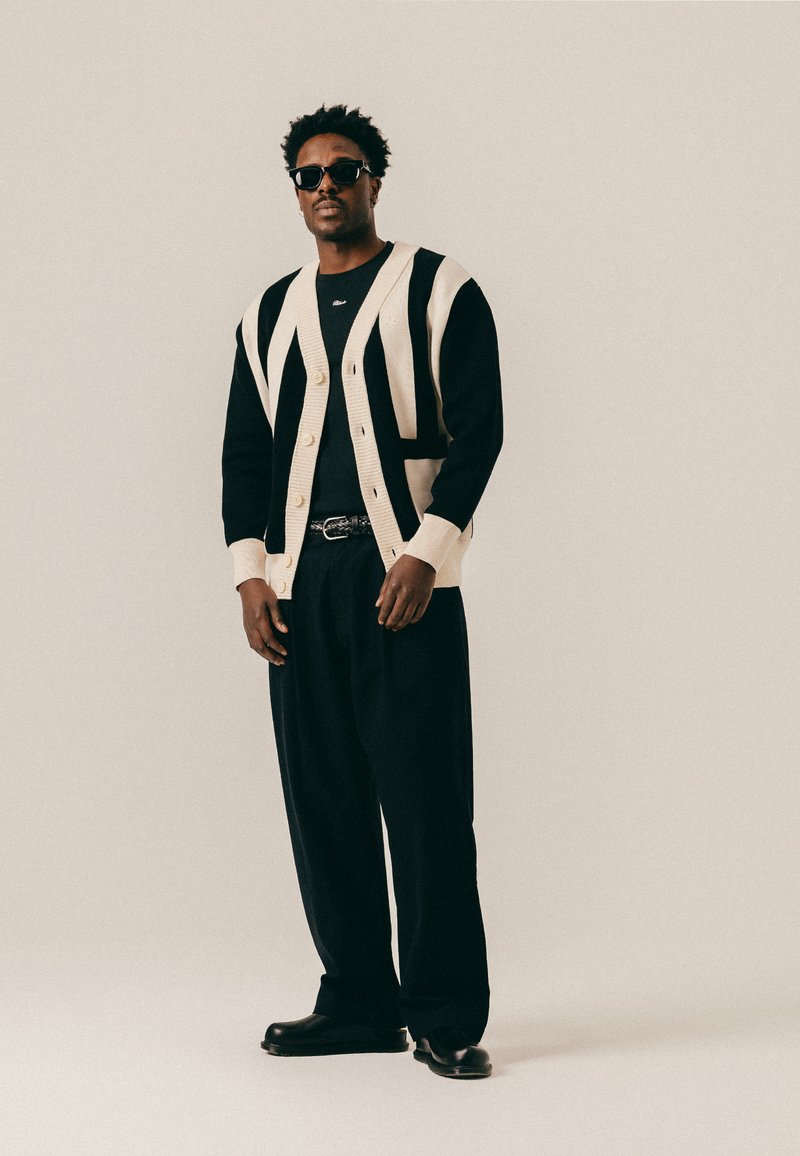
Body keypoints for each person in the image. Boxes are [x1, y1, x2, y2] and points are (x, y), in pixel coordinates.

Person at [221, 103, 503, 1080]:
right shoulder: (268, 316)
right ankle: (357, 1001)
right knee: (324, 801)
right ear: (295, 192)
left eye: (344, 169)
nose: (326, 186)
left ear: (375, 180)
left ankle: (444, 1015)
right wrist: (249, 575)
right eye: (309, 175)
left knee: (425, 804)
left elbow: (479, 429)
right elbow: (245, 455)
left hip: (402, 586)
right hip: (301, 592)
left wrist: (429, 550)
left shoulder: (439, 289)